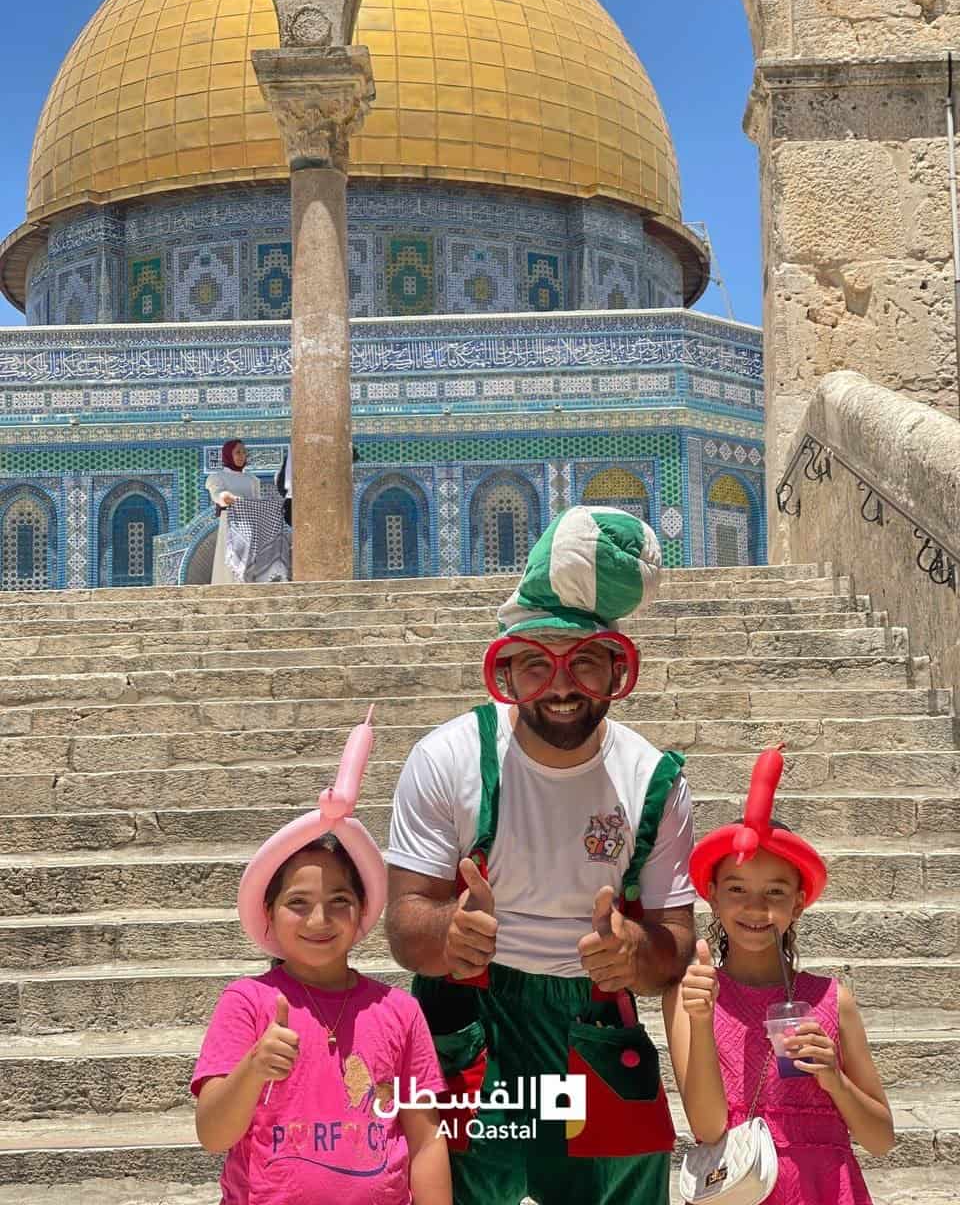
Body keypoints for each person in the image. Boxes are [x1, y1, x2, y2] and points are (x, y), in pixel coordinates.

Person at [385, 505, 697, 1205]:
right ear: (506, 671)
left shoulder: (653, 780)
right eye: (535, 663)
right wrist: (449, 933)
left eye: (584, 661)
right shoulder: (448, 759)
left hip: (593, 1023)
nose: (560, 686)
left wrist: (636, 953)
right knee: (464, 1188)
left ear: (616, 668)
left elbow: (676, 942)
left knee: (619, 1186)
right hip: (472, 1017)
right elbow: (404, 924)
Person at [663, 749, 894, 1204]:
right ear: (712, 895)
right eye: (737, 889)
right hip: (740, 1190)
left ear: (798, 903)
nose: (755, 907)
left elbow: (881, 1139)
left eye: (775, 891)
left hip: (826, 1190)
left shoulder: (832, 1000)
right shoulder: (690, 994)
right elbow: (708, 1127)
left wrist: (834, 1079)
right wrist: (703, 1020)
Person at [192, 821, 452, 1205]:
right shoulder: (246, 1002)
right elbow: (213, 1135)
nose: (319, 920)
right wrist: (254, 1067)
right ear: (269, 912)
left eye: (339, 901)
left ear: (362, 909)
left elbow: (426, 1139)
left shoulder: (400, 1011)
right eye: (298, 902)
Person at [206, 439, 262, 585]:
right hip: (230, 524)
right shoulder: (217, 478)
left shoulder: (252, 479)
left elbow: (257, 502)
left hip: (250, 524)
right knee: (231, 562)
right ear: (228, 455)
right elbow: (220, 496)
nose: (242, 456)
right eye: (237, 452)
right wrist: (233, 499)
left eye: (244, 452)